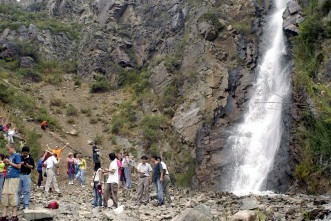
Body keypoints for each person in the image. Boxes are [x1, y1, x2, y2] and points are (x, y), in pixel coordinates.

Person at [0, 143, 22, 221]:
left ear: (12, 148)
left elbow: (19, 166)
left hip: (14, 177)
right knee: (5, 194)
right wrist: (6, 163)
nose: (8, 151)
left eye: (8, 149)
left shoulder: (17, 155)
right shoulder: (10, 156)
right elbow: (8, 166)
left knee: (12, 194)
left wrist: (9, 162)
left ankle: (14, 215)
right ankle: (4, 215)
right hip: (8, 177)